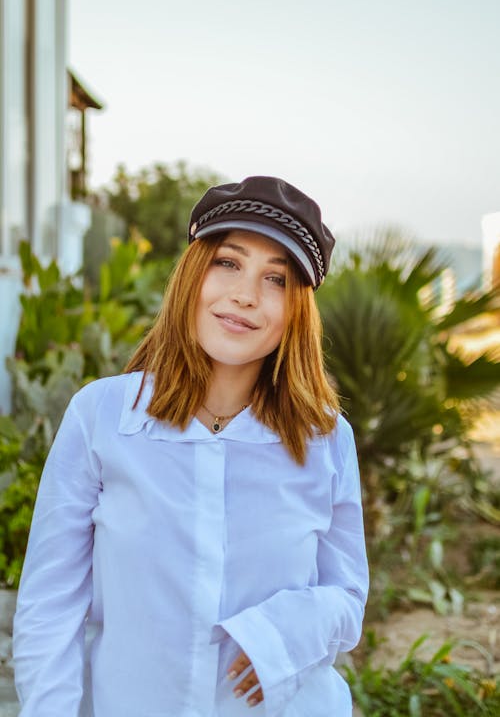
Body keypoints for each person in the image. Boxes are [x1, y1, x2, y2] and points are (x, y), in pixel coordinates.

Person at [13, 176, 369, 717]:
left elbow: (347, 600)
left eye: (275, 279)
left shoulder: (326, 439)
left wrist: (281, 634)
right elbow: (50, 607)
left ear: (296, 310)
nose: (245, 295)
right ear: (192, 274)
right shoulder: (103, 416)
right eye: (228, 262)